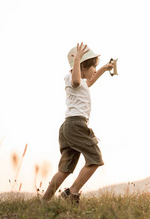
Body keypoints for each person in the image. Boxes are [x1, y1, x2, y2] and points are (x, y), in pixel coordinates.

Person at [43, 43, 113, 203]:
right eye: (93, 66)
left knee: (65, 169)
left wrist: (103, 69)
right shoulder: (71, 78)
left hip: (69, 127)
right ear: (82, 66)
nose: (94, 69)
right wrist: (77, 60)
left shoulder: (82, 83)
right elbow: (76, 80)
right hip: (76, 126)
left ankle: (44, 201)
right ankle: (72, 193)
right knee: (95, 158)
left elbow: (89, 81)